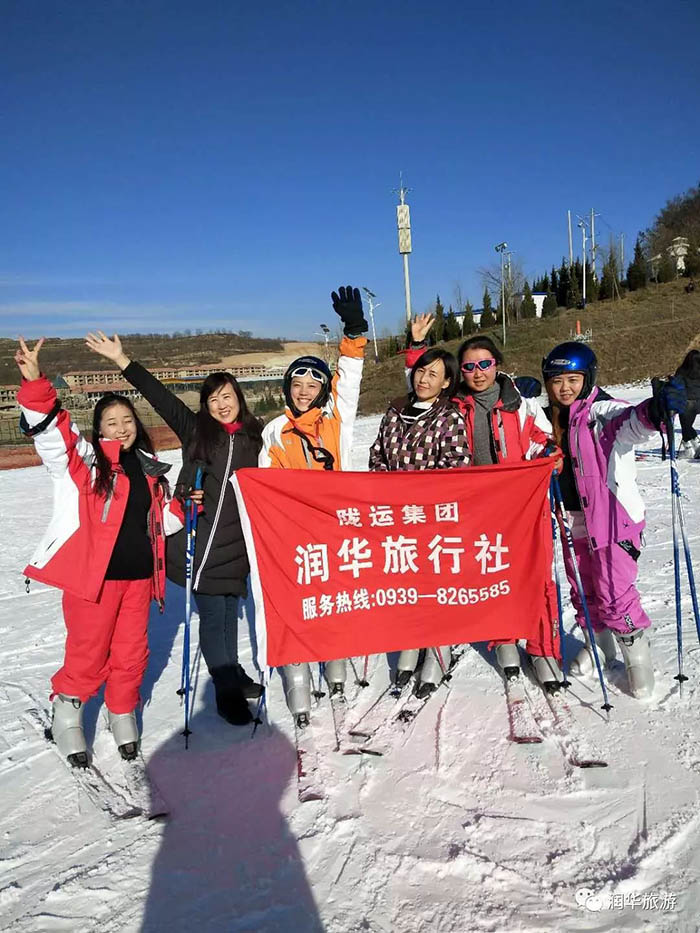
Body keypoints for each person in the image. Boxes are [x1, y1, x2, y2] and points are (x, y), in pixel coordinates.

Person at [86, 331, 262, 727]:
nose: (221, 403)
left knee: (231, 609)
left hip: (239, 544)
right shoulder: (196, 430)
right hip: (200, 543)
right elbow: (159, 396)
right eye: (212, 398)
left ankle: (231, 669)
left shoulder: (256, 436)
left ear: (239, 397)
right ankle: (225, 691)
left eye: (226, 395)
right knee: (215, 616)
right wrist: (122, 360)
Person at [15, 337, 171, 766]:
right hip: (94, 583)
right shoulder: (84, 464)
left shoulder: (150, 468)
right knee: (88, 651)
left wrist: (185, 505)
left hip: (140, 580)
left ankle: (122, 710)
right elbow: (53, 437)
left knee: (131, 653)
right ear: (98, 429)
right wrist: (35, 385)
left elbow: (161, 523)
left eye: (127, 420)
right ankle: (67, 712)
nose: (121, 428)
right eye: (111, 422)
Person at [405, 322, 562, 691]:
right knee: (491, 572)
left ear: (497, 365)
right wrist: (417, 347)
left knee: (534, 573)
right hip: (476, 508)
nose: (478, 373)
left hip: (520, 505)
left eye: (485, 364)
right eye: (470, 367)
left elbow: (540, 440)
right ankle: (503, 638)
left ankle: (542, 648)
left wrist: (551, 454)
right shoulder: (451, 404)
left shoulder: (518, 404)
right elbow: (421, 382)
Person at [541, 341, 687, 698]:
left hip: (612, 522)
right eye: (556, 380)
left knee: (615, 593)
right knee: (583, 590)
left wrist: (654, 411)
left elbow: (630, 420)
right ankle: (600, 646)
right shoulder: (550, 417)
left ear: (588, 378)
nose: (564, 388)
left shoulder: (599, 412)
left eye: (573, 379)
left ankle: (637, 658)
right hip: (572, 518)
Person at [259, 285, 367, 725]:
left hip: (333, 529)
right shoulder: (274, 431)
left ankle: (336, 669)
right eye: (298, 384)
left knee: (334, 604)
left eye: (313, 384)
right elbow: (264, 488)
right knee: (296, 608)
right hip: (290, 538)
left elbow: (351, 375)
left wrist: (354, 331)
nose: (304, 392)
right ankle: (298, 678)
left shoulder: (335, 422)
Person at [369, 339, 469, 696]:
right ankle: (412, 642)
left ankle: (439, 648)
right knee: (407, 585)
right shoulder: (394, 412)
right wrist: (389, 491)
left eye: (434, 374)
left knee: (436, 586)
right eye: (421, 371)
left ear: (446, 382)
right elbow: (378, 455)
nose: (424, 379)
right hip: (398, 518)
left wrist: (420, 495)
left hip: (434, 519)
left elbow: (457, 467)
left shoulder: (448, 416)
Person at [675, 349, 700, 459]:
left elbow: (676, 386)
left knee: (686, 426)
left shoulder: (682, 371)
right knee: (687, 426)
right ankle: (696, 445)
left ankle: (689, 449)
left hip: (687, 402)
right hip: (699, 402)